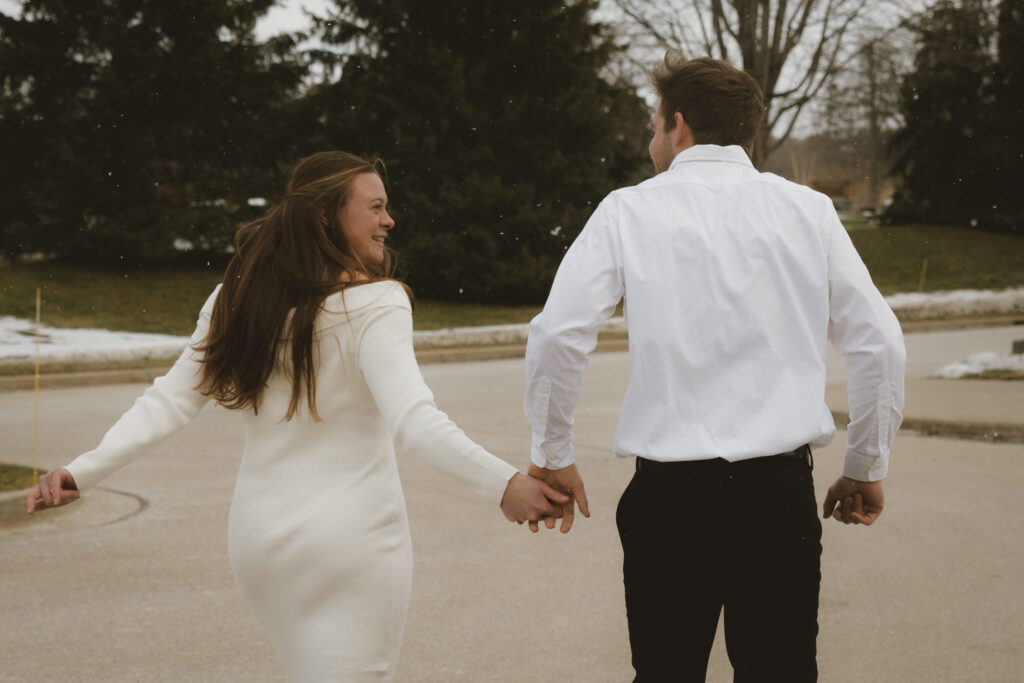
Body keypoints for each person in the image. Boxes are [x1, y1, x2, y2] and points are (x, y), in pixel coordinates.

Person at [26, 150, 568, 682]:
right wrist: (504, 484)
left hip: (261, 547)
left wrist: (82, 471)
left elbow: (169, 401)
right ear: (328, 216)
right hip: (351, 544)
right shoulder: (378, 303)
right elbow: (415, 423)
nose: (388, 220)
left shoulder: (234, 300)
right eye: (375, 207)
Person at [524, 54, 906, 681]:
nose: (653, 140)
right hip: (776, 499)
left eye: (654, 125)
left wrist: (553, 450)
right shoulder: (808, 212)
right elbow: (880, 346)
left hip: (671, 501)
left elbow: (559, 336)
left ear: (678, 125)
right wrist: (865, 466)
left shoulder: (629, 210)